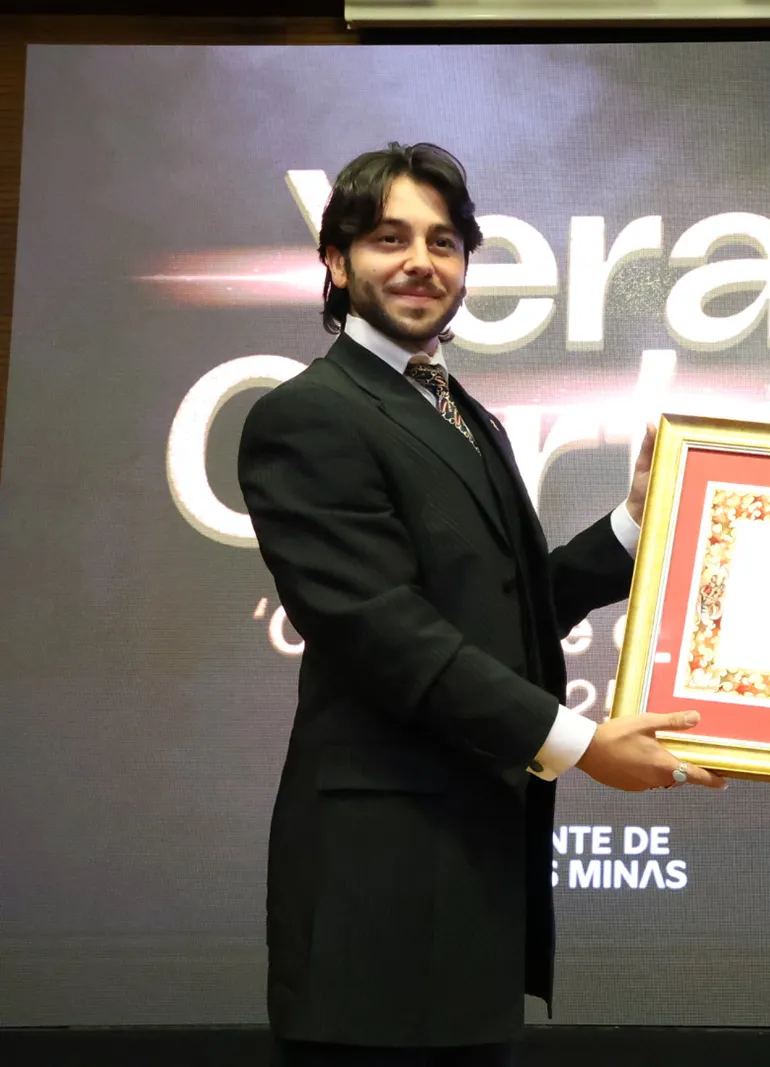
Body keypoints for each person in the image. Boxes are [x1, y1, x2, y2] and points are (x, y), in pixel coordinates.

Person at [237, 142, 725, 1067]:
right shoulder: (309, 414)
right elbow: (388, 630)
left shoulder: (461, 410)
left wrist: (633, 523)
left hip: (473, 869)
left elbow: (505, 603)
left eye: (446, 242)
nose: (422, 261)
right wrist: (580, 743)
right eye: (390, 238)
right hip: (377, 883)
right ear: (338, 263)